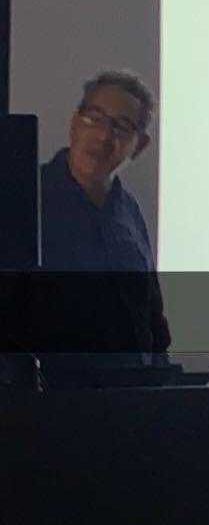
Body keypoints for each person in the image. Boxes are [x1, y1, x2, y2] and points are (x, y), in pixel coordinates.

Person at [39, 70, 171, 358]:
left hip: (132, 392)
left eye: (121, 127)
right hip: (49, 396)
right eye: (94, 119)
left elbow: (152, 316)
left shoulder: (130, 212)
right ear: (75, 123)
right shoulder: (25, 197)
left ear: (140, 145)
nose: (103, 135)